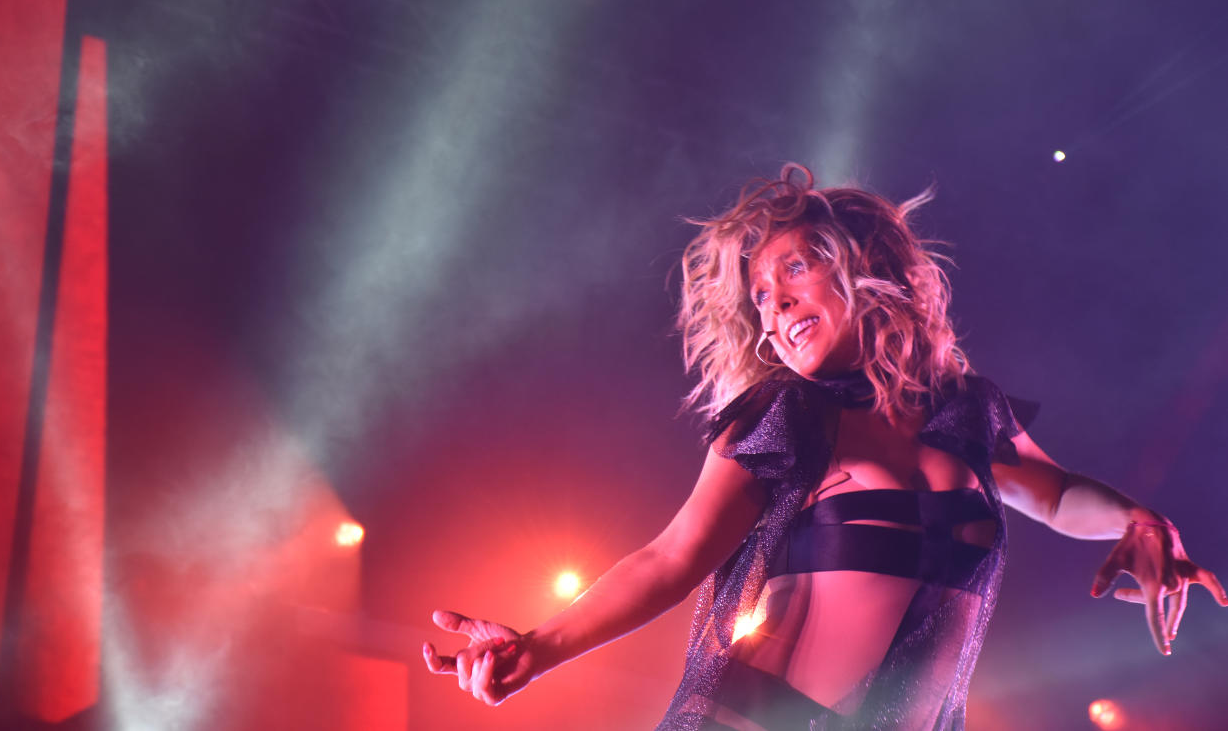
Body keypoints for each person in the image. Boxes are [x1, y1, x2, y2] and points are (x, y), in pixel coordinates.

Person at [423, 165, 1226, 729]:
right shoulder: (785, 416)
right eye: (761, 300)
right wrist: (537, 647)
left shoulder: (968, 412)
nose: (774, 313)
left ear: (864, 268)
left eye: (794, 274)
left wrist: (1139, 524)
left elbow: (1055, 495)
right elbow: (671, 558)